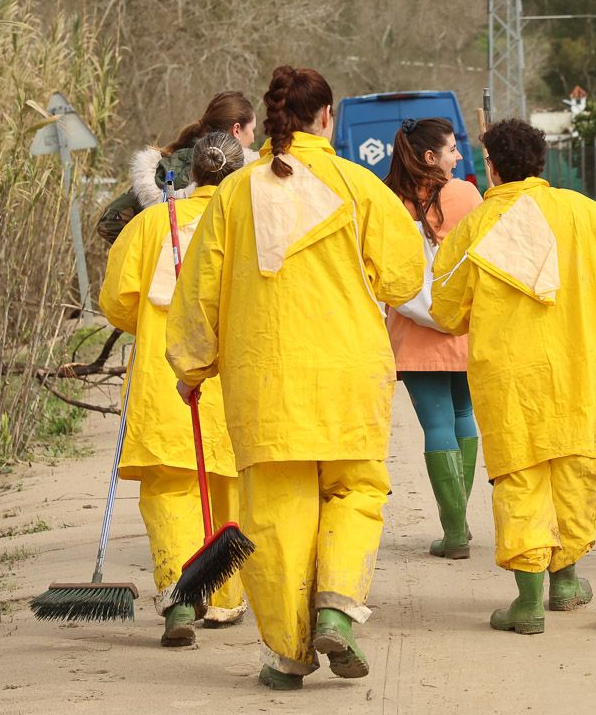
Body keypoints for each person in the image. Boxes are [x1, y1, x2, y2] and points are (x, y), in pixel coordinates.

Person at [166, 66, 424, 692]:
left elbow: (199, 292)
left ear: (272, 118)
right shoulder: (358, 186)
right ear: (327, 117)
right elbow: (404, 278)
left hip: (266, 381)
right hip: (349, 375)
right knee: (355, 492)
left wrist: (192, 367)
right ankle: (336, 607)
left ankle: (288, 654)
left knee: (276, 514)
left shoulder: (233, 194)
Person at [431, 119, 596, 635]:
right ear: (542, 163)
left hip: (509, 377)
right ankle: (566, 580)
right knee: (573, 467)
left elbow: (448, 312)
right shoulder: (582, 213)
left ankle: (528, 603)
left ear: (493, 167)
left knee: (519, 475)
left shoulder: (476, 229)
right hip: (576, 364)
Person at [99, 131, 249, 646]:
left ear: (192, 175)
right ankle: (225, 601)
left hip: (163, 381)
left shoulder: (148, 225)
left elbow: (117, 301)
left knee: (168, 492)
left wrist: (149, 320)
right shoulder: (246, 224)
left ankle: (179, 601)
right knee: (229, 488)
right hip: (233, 380)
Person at [381, 117, 484, 559]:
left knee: (437, 425)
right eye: (452, 149)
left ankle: (454, 533)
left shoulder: (389, 201)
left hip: (413, 329)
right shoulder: (465, 194)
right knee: (464, 415)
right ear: (430, 158)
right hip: (464, 322)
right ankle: (460, 527)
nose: (458, 156)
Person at [95, 90, 257, 244]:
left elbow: (109, 222)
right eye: (252, 130)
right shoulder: (240, 173)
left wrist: (150, 256)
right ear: (236, 130)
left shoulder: (172, 164)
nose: (253, 138)